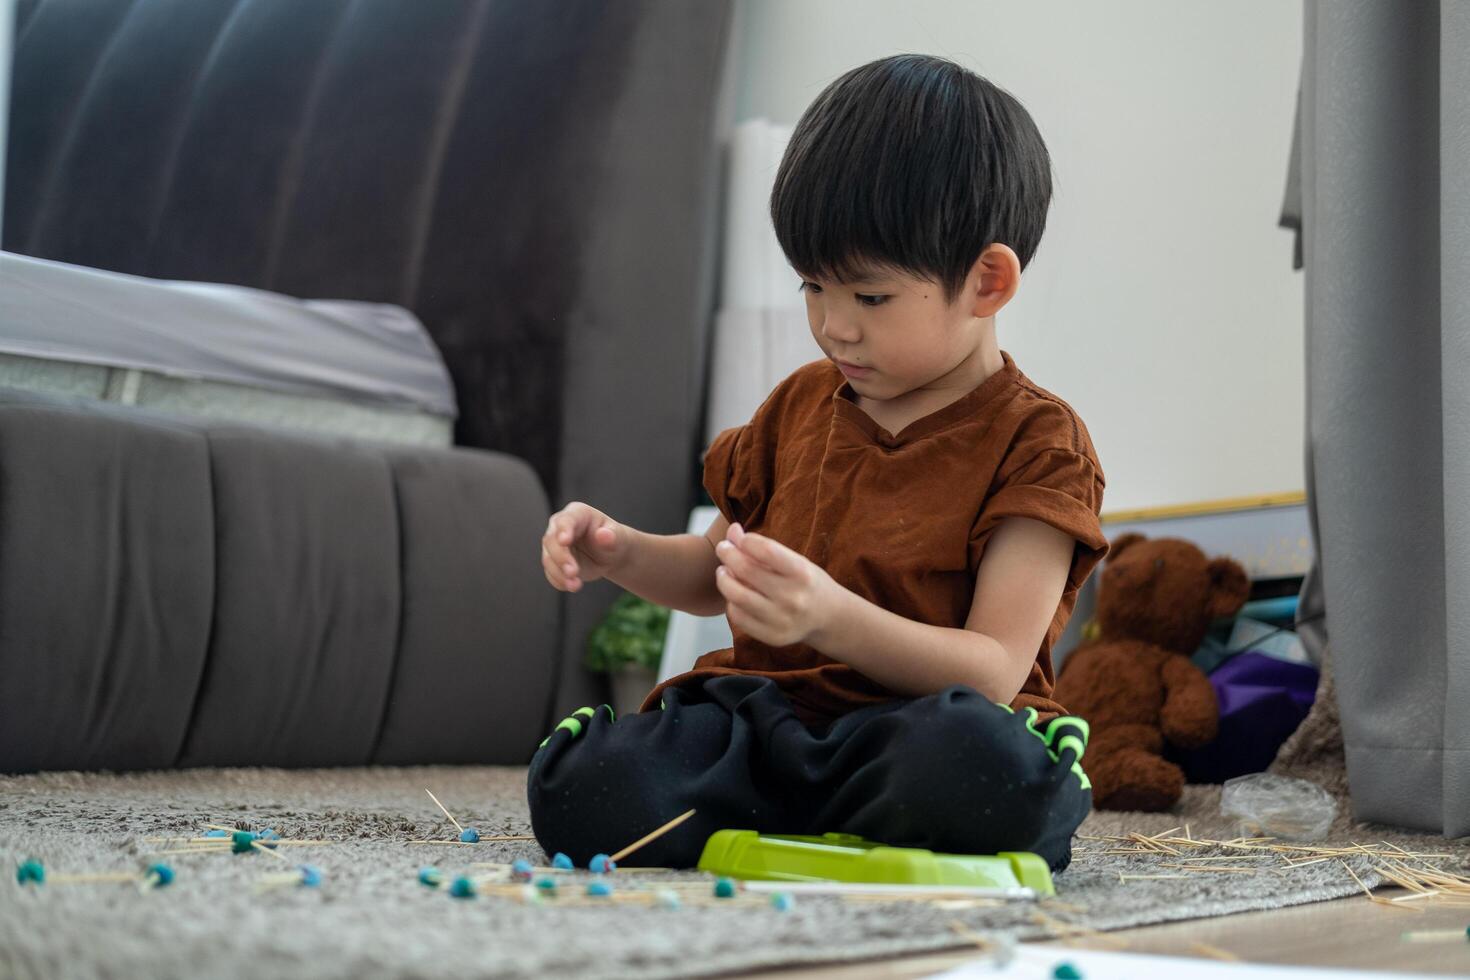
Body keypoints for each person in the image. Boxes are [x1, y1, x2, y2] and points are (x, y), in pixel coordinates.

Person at [528, 53, 1108, 874]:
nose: (834, 327)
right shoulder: (802, 404)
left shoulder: (1039, 444)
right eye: (811, 288)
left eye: (869, 298)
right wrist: (618, 552)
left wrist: (830, 618)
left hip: (913, 729)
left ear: (986, 281)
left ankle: (828, 813)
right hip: (762, 722)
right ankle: (810, 813)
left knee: (984, 770)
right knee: (587, 788)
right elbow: (713, 571)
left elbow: (990, 670)